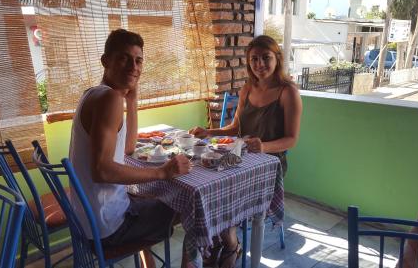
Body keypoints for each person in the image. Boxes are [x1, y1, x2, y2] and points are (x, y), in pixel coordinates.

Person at [69, 29, 195, 268]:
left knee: (154, 195)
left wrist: (132, 100)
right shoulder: (109, 99)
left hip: (88, 222)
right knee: (190, 206)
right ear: (106, 61)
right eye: (124, 58)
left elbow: (126, 148)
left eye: (138, 60)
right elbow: (102, 171)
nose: (133, 66)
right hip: (108, 228)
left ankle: (149, 264)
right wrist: (163, 172)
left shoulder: (93, 94)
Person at [189, 35, 302, 268]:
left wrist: (265, 146)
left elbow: (292, 139)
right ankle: (229, 242)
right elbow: (235, 128)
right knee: (211, 188)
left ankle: (228, 244)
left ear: (277, 59)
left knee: (224, 195)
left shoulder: (287, 92)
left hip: (270, 164)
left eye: (266, 58)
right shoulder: (247, 89)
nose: (260, 64)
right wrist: (208, 132)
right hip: (240, 157)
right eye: (254, 59)